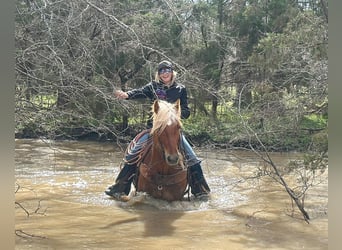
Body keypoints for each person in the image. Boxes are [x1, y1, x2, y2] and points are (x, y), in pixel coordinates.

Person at [105, 60, 210, 198]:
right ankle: (119, 187)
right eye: (161, 71)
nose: (165, 73)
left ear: (172, 73)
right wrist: (127, 95)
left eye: (167, 71)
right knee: (132, 155)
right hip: (153, 130)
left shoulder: (181, 89)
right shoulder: (153, 87)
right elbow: (140, 92)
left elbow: (186, 111)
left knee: (192, 158)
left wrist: (175, 114)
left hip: (173, 130)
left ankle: (200, 189)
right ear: (158, 74)